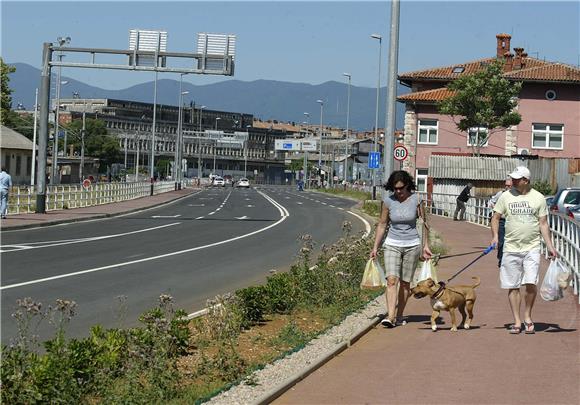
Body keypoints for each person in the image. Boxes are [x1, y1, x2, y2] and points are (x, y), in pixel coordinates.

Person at [491, 166, 557, 335]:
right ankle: (517, 321)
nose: (512, 181)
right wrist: (495, 237)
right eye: (512, 178)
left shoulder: (539, 198)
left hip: (532, 247)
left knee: (530, 283)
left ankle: (527, 315)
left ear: (525, 181)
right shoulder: (505, 197)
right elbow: (496, 217)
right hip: (510, 247)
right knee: (512, 286)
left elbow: (543, 224)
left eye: (516, 179)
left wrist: (550, 246)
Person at [370, 170, 432, 328]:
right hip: (392, 244)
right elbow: (382, 224)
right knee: (391, 280)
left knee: (405, 283)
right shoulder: (388, 201)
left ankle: (399, 314)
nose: (398, 192)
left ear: (408, 186)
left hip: (412, 245)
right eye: (395, 189)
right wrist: (375, 247)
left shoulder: (417, 200)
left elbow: (425, 224)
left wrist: (426, 246)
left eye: (401, 189)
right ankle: (390, 317)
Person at [488, 178, 513, 267]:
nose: (507, 187)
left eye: (509, 185)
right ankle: (501, 258)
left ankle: (508, 260)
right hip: (501, 220)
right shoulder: (501, 194)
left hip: (512, 221)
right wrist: (494, 207)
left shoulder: (516, 195)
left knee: (510, 241)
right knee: (501, 241)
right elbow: (491, 201)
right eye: (506, 185)